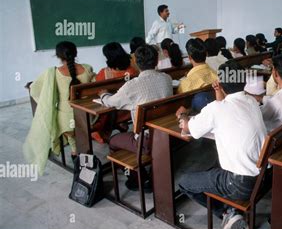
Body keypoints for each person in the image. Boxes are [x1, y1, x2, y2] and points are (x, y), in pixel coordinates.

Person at [176, 61, 267, 229]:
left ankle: (227, 213)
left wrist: (182, 115)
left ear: (222, 83)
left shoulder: (216, 109)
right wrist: (220, 92)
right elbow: (224, 111)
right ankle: (231, 211)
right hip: (260, 176)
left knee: (184, 182)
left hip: (239, 185)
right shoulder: (251, 101)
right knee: (217, 161)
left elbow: (190, 129)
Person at [99, 45, 173, 190]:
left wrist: (103, 94)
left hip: (146, 141)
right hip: (166, 133)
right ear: (157, 61)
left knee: (113, 139)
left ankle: (138, 179)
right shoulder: (166, 78)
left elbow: (111, 102)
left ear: (137, 63)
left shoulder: (132, 85)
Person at [24, 41, 95, 171]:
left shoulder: (53, 73)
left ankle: (75, 153)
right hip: (88, 117)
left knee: (61, 120)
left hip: (67, 121)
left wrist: (30, 86)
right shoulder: (88, 69)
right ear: (75, 53)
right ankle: (82, 156)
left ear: (58, 56)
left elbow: (35, 90)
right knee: (74, 126)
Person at [93, 42, 139, 144]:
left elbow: (97, 90)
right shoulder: (133, 71)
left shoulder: (103, 74)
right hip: (129, 110)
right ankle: (120, 125)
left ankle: (99, 131)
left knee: (101, 107)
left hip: (113, 112)